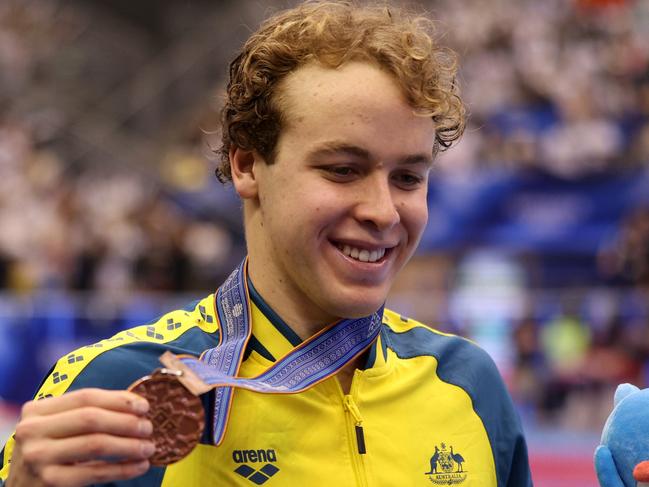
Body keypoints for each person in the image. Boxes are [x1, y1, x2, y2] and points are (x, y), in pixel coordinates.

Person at [0, 2, 531, 486]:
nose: (384, 211)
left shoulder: (469, 387)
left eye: (409, 178)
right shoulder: (119, 391)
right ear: (247, 164)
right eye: (343, 169)